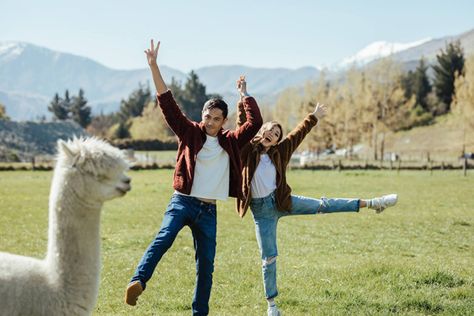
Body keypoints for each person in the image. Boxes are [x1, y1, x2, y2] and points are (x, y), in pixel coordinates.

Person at [125, 40, 262, 316]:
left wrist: (244, 95)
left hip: (208, 211)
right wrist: (153, 66)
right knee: (163, 238)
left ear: (224, 121)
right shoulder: (189, 132)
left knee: (206, 266)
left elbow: (255, 123)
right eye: (206, 116)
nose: (209, 121)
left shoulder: (233, 141)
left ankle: (200, 313)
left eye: (215, 118)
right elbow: (167, 103)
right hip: (182, 202)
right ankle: (138, 281)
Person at [235, 101, 398, 316]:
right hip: (262, 212)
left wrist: (313, 117)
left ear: (276, 141)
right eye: (270, 130)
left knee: (323, 205)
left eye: (276, 134)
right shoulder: (247, 150)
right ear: (262, 131)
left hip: (283, 201)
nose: (273, 135)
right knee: (269, 257)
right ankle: (272, 305)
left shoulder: (280, 151)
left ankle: (373, 203)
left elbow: (297, 134)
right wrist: (243, 98)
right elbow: (241, 128)